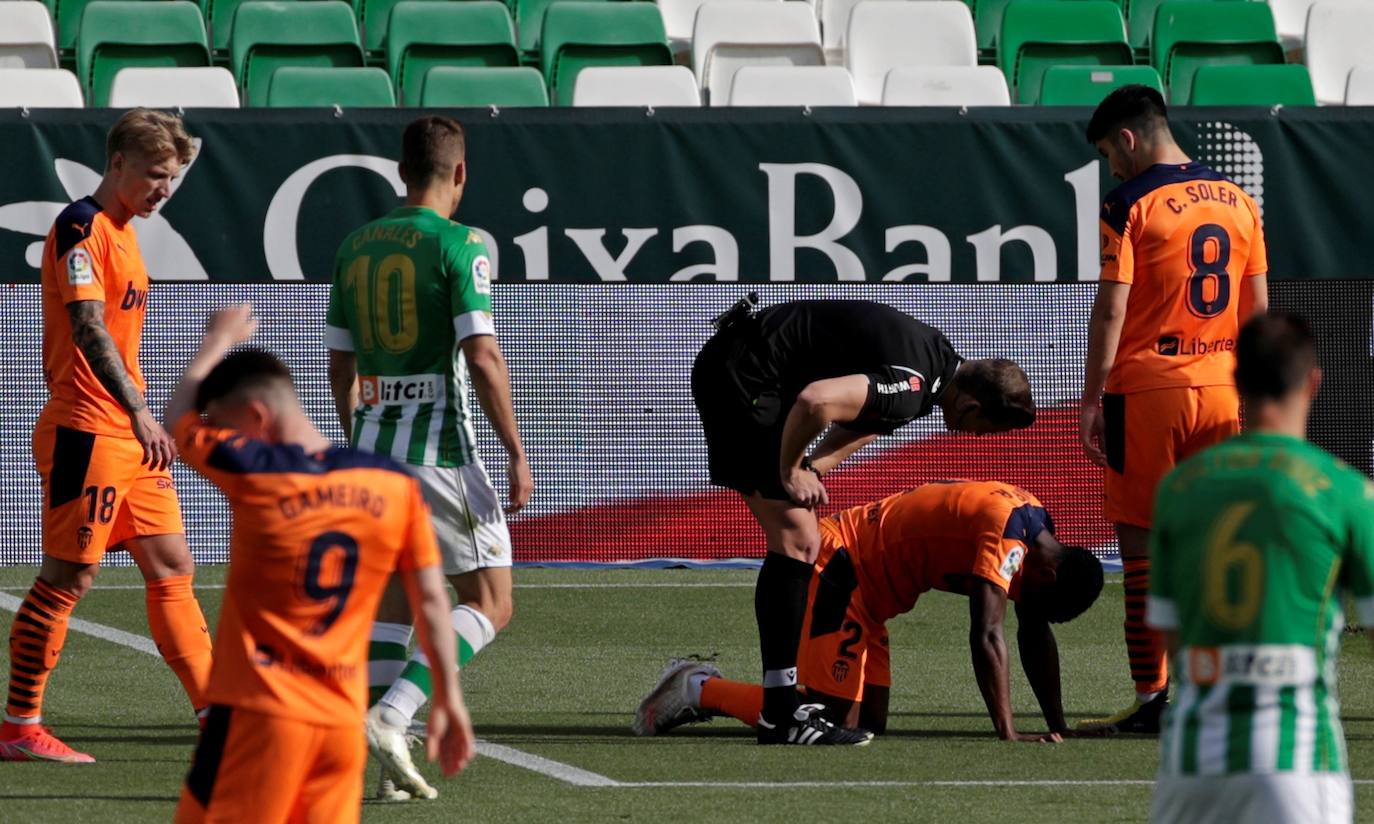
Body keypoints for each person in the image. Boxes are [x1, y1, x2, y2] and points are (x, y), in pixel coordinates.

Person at [168, 305, 474, 822]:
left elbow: (178, 421)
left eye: (226, 426)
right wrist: (447, 697)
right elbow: (430, 601)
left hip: (258, 717)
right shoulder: (394, 486)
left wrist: (218, 340)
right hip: (338, 729)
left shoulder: (257, 473)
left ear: (256, 420)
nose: (222, 435)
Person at [692, 295, 1036, 745]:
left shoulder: (933, 371)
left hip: (749, 367)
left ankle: (780, 708)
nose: (976, 437)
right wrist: (791, 469)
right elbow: (816, 402)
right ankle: (778, 713)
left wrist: (811, 468)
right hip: (745, 373)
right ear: (971, 404)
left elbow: (866, 421)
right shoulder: (913, 385)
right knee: (798, 540)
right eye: (985, 429)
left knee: (800, 536)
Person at [325, 115, 530, 798]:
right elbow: (483, 355)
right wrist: (517, 452)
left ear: (399, 171)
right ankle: (393, 714)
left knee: (389, 602)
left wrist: (358, 434)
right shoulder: (462, 244)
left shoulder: (354, 246)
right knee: (492, 602)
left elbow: (339, 362)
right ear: (461, 173)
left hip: (373, 449)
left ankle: (385, 770)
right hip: (440, 450)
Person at [0, 109, 213, 764]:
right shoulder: (79, 227)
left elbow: (176, 154)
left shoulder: (124, 228)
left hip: (128, 436)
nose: (164, 189)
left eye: (172, 178)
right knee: (69, 577)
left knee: (174, 565)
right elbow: (89, 329)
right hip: (87, 430)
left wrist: (178, 148)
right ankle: (19, 725)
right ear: (115, 164)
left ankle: (220, 719)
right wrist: (141, 412)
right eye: (154, 175)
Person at [1077, 85, 1269, 733]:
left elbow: (1112, 307)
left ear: (1128, 139)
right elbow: (1258, 313)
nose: (1112, 165)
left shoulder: (1128, 202)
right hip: (1222, 392)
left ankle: (1155, 700)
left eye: (1110, 151)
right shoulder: (1241, 201)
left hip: (1147, 391)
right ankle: (1220, 693)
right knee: (1217, 548)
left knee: (1142, 551)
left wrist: (1090, 397)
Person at [634, 480, 1103, 742]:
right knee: (822, 717)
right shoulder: (1008, 537)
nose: (1032, 611)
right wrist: (1009, 733)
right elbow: (987, 635)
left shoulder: (1038, 533)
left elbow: (1033, 630)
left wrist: (1057, 724)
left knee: (867, 726)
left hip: (872, 600)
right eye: (1042, 603)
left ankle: (704, 688)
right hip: (841, 566)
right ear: (1049, 576)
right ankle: (697, 687)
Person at [1146, 313, 1369, 823]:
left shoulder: (1179, 490)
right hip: (1294, 761)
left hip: (1190, 763)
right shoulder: (1346, 492)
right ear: (1314, 381)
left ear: (1238, 381)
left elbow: (1172, 634)